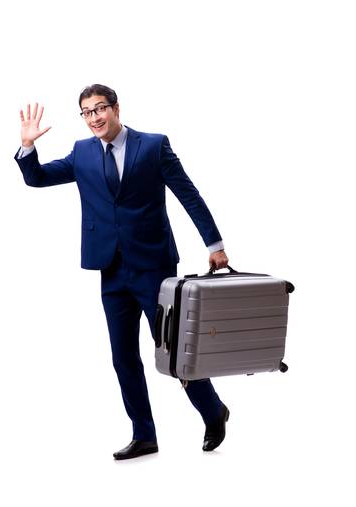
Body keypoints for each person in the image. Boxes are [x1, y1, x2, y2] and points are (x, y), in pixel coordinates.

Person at [14, 84, 233, 460]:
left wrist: (214, 245)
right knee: (123, 355)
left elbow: (188, 194)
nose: (94, 117)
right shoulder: (82, 152)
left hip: (154, 267)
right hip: (110, 269)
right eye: (86, 112)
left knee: (173, 348)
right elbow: (37, 178)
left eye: (100, 108)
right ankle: (144, 434)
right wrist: (28, 147)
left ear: (116, 108)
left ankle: (213, 412)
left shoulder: (153, 145)